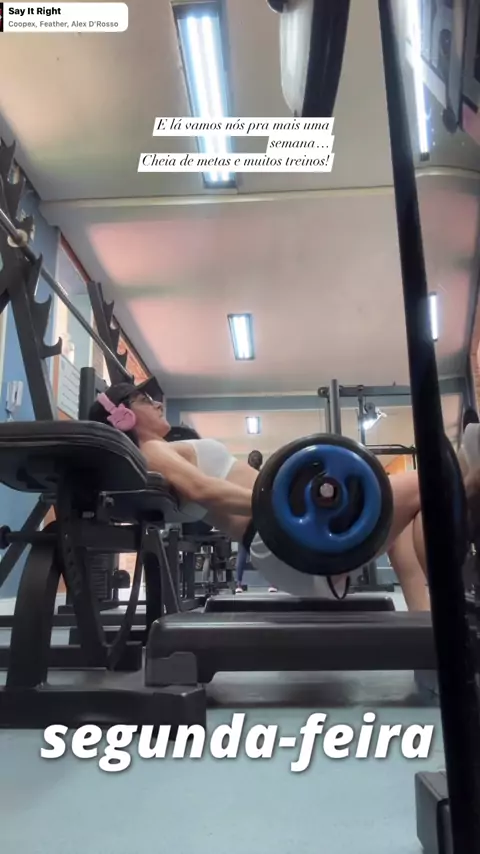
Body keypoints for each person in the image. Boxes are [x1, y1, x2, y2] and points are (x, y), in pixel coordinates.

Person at [89, 383, 480, 611]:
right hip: (284, 544)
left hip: (288, 544)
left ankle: (428, 637)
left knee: (403, 529)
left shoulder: (164, 449)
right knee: (423, 485)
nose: (157, 403)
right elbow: (202, 491)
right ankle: (469, 480)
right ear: (124, 416)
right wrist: (284, 508)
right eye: (145, 400)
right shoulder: (152, 451)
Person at [234, 450, 277, 594]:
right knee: (268, 551)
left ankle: (238, 584)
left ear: (248, 461)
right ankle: (272, 583)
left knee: (242, 551)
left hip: (245, 517)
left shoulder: (242, 477)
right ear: (261, 462)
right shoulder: (263, 477)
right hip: (260, 517)